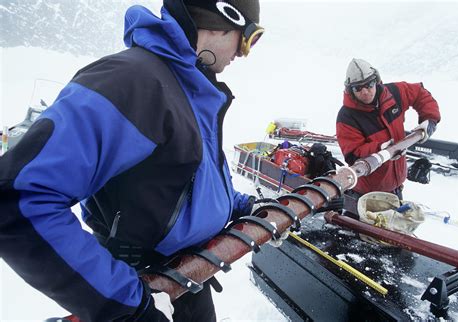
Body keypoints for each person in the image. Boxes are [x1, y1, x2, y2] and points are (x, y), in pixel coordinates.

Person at [0, 1, 263, 321]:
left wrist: (242, 206)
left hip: (191, 279)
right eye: (249, 37)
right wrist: (127, 305)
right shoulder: (131, 81)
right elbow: (20, 199)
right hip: (143, 286)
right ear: (221, 19)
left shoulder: (193, 88)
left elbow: (191, 179)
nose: (243, 53)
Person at [336, 58, 441, 204]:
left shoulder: (394, 93)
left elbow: (419, 93)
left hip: (395, 189)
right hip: (365, 195)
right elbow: (353, 154)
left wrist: (430, 119)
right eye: (358, 88)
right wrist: (380, 148)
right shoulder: (347, 117)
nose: (365, 91)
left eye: (369, 84)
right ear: (350, 90)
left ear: (377, 80)